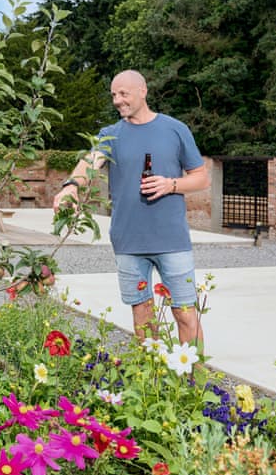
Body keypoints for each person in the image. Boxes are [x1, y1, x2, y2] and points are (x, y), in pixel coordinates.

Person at [53, 70, 209, 347]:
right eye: (114, 94)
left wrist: (171, 184)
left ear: (143, 91)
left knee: (185, 314)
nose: (117, 100)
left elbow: (202, 177)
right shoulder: (110, 135)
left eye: (123, 93)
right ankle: (153, 383)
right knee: (143, 317)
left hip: (172, 240)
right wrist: (70, 187)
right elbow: (89, 164)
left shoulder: (175, 129)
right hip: (128, 242)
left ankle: (194, 386)